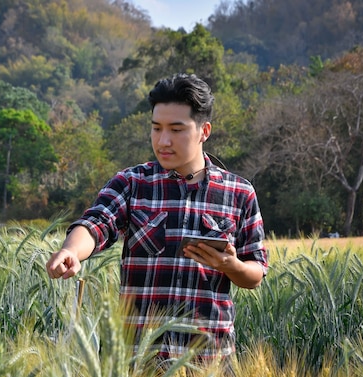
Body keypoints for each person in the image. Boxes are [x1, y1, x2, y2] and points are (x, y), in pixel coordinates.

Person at [45, 73, 268, 361]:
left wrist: (230, 265)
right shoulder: (132, 183)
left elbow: (255, 273)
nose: (164, 141)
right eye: (156, 128)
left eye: (177, 130)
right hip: (134, 364)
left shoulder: (239, 193)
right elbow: (96, 223)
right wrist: (71, 251)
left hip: (208, 366)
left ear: (204, 131)